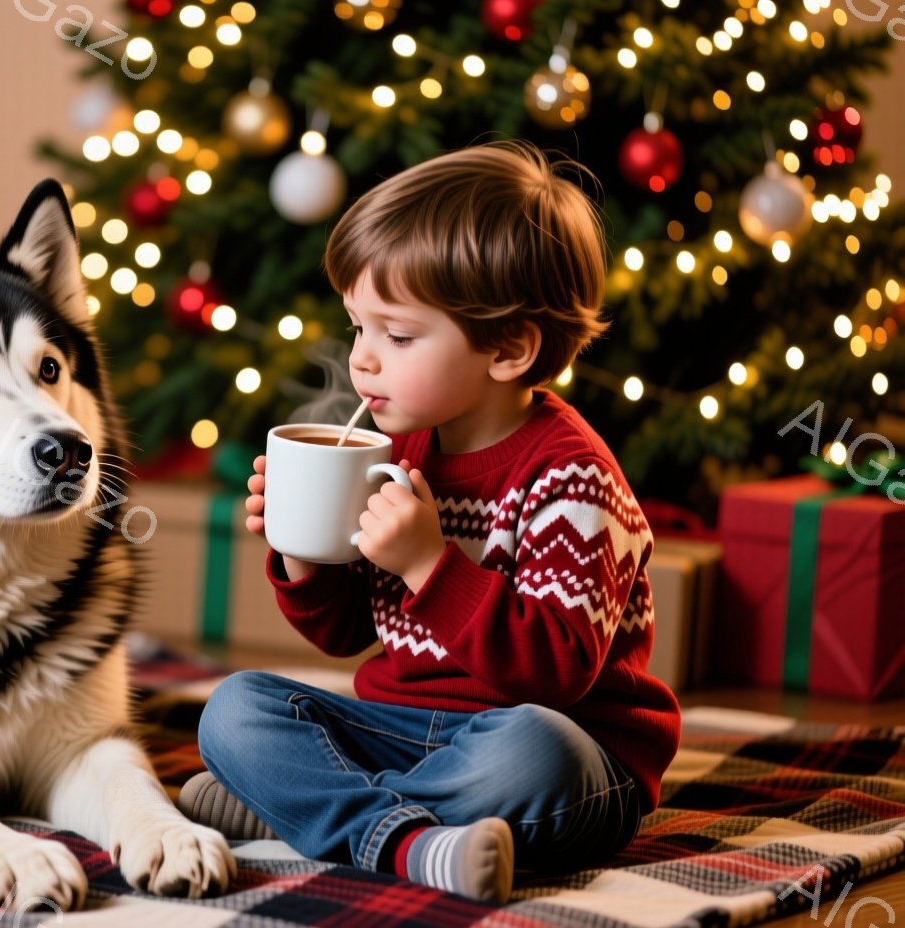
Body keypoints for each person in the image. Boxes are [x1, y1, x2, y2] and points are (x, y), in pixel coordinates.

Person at [175, 140, 681, 904]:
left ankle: (313, 808)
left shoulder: (574, 478)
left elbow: (556, 674)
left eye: (398, 335)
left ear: (508, 349)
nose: (363, 361)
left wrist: (429, 566)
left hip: (556, 754)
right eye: (358, 329)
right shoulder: (400, 445)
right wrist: (306, 558)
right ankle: (412, 841)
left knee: (533, 751)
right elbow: (347, 635)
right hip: (400, 726)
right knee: (236, 708)